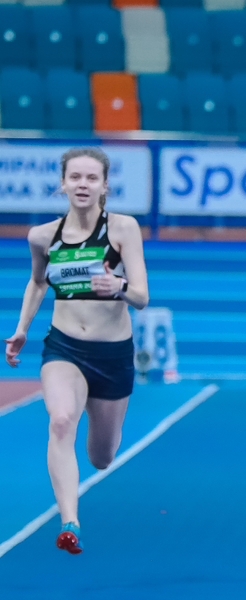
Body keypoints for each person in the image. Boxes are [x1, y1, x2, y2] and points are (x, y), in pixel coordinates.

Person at [6, 150, 148, 555]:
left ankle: (99, 443)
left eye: (91, 178)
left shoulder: (122, 229)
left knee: (102, 457)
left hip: (112, 355)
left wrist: (119, 287)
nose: (82, 184)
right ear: (63, 184)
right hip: (64, 346)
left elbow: (142, 296)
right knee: (61, 420)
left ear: (105, 186)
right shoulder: (42, 236)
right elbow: (38, 283)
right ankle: (70, 521)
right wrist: (22, 329)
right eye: (75, 177)